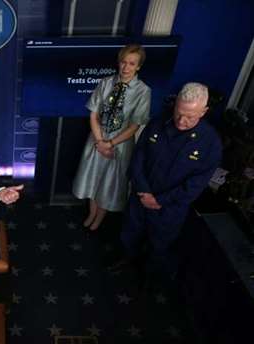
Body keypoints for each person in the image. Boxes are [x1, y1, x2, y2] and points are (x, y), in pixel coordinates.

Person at [113, 82, 222, 280]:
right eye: (179, 112)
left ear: (204, 111)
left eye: (190, 116)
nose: (181, 121)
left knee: (159, 244)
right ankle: (126, 258)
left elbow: (196, 184)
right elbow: (138, 157)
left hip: (170, 207)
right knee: (130, 231)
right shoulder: (158, 123)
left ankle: (149, 277)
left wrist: (159, 200)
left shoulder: (210, 143)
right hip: (141, 196)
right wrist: (143, 191)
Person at [72, 44, 151, 231]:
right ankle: (91, 213)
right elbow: (93, 113)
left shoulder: (143, 91)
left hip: (120, 144)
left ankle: (99, 218)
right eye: (124, 62)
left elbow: (135, 126)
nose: (126, 67)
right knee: (92, 179)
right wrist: (100, 142)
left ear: (138, 66)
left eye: (132, 64)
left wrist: (111, 144)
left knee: (108, 184)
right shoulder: (106, 82)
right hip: (97, 138)